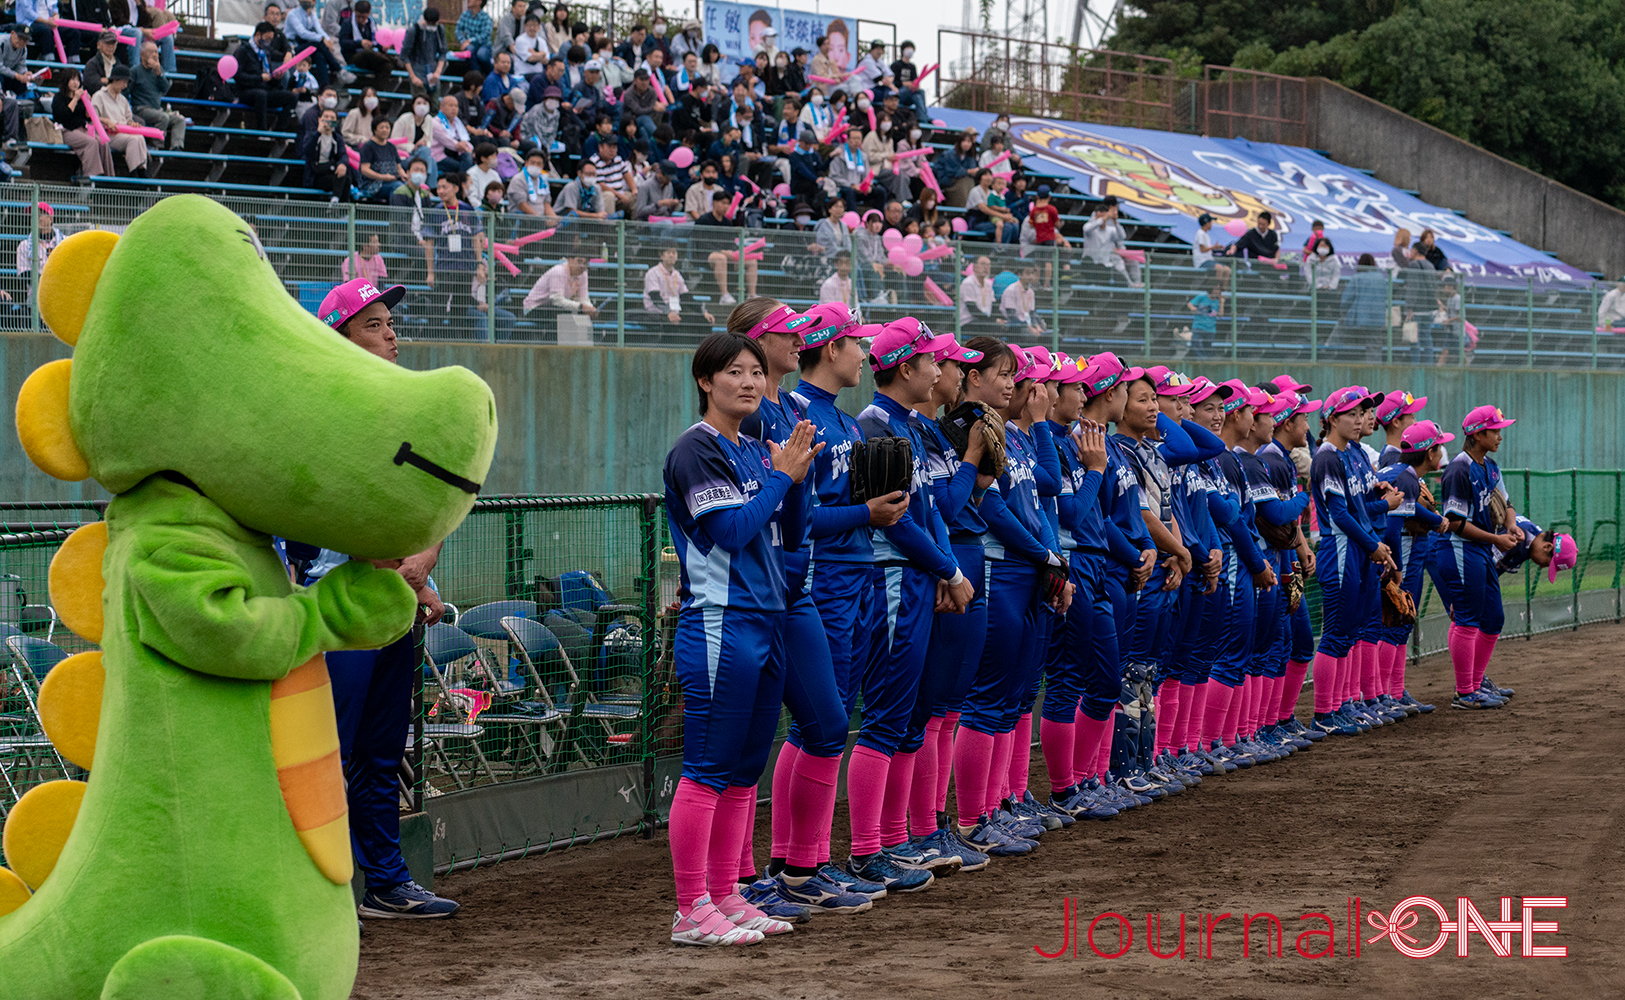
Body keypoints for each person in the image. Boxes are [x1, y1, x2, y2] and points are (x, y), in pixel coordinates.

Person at [286, 276, 459, 921]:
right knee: (328, 756)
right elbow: (296, 517)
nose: (392, 335)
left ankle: (385, 881)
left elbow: (431, 512)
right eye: (375, 324)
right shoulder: (313, 417)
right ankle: (322, 894)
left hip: (395, 610)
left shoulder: (403, 412)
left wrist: (425, 565)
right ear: (340, 337)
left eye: (391, 323)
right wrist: (366, 554)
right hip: (336, 614)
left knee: (384, 756)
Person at [662, 327, 820, 946]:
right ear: (706, 382)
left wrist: (796, 480)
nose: (751, 381)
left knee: (743, 768)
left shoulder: (755, 448)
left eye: (757, 372)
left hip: (766, 618)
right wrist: (781, 479)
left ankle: (727, 893)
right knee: (707, 768)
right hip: (721, 623)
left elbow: (784, 533)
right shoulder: (696, 449)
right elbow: (731, 532)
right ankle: (690, 908)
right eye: (735, 372)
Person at [1306, 387, 1398, 737]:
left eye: (1363, 412)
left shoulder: (1349, 453)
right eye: (1352, 413)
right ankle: (1324, 713)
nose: (1360, 419)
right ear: (1332, 419)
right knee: (1337, 633)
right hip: (1341, 548)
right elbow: (1341, 515)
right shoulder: (1329, 456)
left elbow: (1358, 508)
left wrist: (1380, 505)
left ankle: (1342, 705)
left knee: (1351, 632)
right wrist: (1374, 544)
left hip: (1357, 548)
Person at [1434, 405, 1521, 710]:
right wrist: (1497, 538)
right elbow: (1456, 523)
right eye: (1495, 431)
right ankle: (1464, 691)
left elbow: (1506, 502)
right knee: (1468, 619)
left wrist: (1511, 524)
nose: (1499, 436)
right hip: (1460, 548)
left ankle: (1476, 681)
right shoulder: (1459, 469)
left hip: (1481, 550)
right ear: (1478, 434)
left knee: (1494, 617)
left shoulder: (1490, 466)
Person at [1374, 419, 1451, 716]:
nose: (1441, 452)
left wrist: (1434, 520)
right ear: (1429, 453)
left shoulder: (1402, 473)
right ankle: (1381, 695)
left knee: (1402, 621)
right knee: (1395, 620)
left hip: (1402, 546)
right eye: (1439, 447)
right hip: (1400, 549)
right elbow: (1393, 528)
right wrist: (1397, 569)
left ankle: (1393, 692)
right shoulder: (1405, 477)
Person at [422, 172, 485, 331]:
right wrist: (430, 272)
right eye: (439, 188)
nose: (441, 191)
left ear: (456, 188)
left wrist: (479, 264)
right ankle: (433, 339)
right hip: (444, 266)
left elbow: (476, 238)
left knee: (460, 309)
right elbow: (429, 244)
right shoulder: (435, 212)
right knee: (438, 307)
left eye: (445, 187)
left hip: (465, 266)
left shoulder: (467, 210)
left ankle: (457, 340)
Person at [234, 22, 298, 131]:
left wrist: (276, 78)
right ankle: (262, 131)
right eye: (267, 38)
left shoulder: (266, 52)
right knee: (261, 95)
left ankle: (279, 130)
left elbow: (269, 78)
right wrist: (259, 77)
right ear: (258, 35)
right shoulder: (243, 51)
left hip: (265, 89)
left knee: (291, 97)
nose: (268, 42)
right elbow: (238, 76)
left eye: (270, 39)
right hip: (247, 91)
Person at [697, 190, 755, 304]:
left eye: (728, 203)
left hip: (727, 257)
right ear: (714, 202)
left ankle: (751, 295)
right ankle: (724, 294)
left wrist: (732, 252)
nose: (726, 206)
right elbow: (701, 244)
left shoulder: (727, 223)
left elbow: (731, 243)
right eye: (723, 203)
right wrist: (722, 252)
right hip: (706, 256)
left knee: (751, 260)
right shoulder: (703, 220)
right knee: (720, 258)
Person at [90, 63, 148, 176]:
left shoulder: (123, 100)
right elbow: (93, 117)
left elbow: (128, 119)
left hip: (124, 132)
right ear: (116, 80)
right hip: (108, 134)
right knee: (134, 140)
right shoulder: (99, 96)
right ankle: (134, 171)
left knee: (139, 137)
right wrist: (106, 121)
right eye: (124, 82)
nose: (125, 86)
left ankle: (141, 169)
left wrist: (132, 124)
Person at [53, 72, 114, 178]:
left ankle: (109, 176)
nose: (75, 83)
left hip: (83, 129)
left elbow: (87, 116)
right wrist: (75, 99)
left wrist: (88, 103)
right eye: (72, 79)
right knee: (91, 142)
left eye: (77, 80)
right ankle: (91, 176)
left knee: (103, 143)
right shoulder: (59, 98)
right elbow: (63, 115)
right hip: (67, 130)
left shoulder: (81, 98)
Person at [285, 0, 349, 88]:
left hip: (307, 48)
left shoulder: (312, 15)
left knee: (320, 56)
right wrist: (322, 39)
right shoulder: (292, 14)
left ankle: (324, 87)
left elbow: (320, 30)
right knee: (317, 44)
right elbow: (302, 33)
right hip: (294, 47)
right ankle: (337, 68)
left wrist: (328, 40)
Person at [522, 249, 594, 321]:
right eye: (579, 261)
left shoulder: (583, 274)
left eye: (585, 263)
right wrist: (581, 307)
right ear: (569, 260)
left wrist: (590, 308)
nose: (582, 266)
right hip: (535, 308)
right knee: (560, 313)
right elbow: (557, 300)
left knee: (585, 314)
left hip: (555, 308)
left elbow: (583, 298)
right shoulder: (559, 271)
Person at [1082, 197, 1138, 284]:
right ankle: (1129, 283)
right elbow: (1087, 228)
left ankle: (1132, 284)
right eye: (1116, 205)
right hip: (1092, 259)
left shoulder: (1110, 229)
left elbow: (1122, 237)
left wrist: (1115, 221)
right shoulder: (1095, 220)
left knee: (1132, 259)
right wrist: (1104, 218)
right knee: (1116, 261)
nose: (1118, 207)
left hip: (1107, 257)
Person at [340, 0, 397, 81]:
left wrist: (382, 47)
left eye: (363, 17)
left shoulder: (370, 23)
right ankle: (392, 60)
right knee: (367, 52)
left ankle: (378, 90)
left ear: (369, 13)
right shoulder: (347, 23)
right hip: (354, 56)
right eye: (358, 16)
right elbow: (343, 42)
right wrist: (360, 43)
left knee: (386, 66)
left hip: (371, 58)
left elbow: (375, 42)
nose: (360, 19)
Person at [305, 105, 351, 201]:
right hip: (316, 175)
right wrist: (318, 133)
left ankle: (336, 202)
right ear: (319, 119)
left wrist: (342, 164)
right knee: (343, 181)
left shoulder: (337, 138)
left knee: (346, 179)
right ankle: (337, 204)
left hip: (331, 172)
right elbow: (307, 152)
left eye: (332, 118)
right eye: (326, 117)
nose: (329, 120)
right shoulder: (312, 135)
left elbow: (343, 154)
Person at [403, 6, 448, 98]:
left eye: (434, 23)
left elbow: (443, 52)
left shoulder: (440, 30)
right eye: (429, 23)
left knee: (434, 104)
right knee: (420, 101)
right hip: (417, 70)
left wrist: (437, 72)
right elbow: (404, 55)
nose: (432, 25)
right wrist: (413, 77)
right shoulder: (414, 30)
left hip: (433, 71)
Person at [1373, 391, 1426, 468]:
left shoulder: (1396, 455)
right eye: (1413, 417)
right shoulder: (1393, 461)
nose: (1416, 423)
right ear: (1396, 422)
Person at [14, 202, 64, 284]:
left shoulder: (64, 242)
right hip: (35, 293)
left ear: (50, 218)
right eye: (33, 215)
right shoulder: (24, 245)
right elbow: (24, 274)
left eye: (40, 214)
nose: (36, 218)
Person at [506, 146, 557, 220]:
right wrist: (540, 220)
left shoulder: (544, 181)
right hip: (522, 220)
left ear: (543, 166)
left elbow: (547, 204)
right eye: (533, 163)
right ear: (526, 163)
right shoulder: (518, 179)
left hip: (540, 220)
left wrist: (554, 219)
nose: (535, 166)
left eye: (539, 164)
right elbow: (522, 206)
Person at [1000, 263, 1044, 336]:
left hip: (1027, 326)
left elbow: (1032, 312)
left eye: (1032, 273)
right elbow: (1011, 316)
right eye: (1027, 273)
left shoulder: (1031, 292)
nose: (1031, 276)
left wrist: (1037, 326)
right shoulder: (1011, 290)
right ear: (1020, 274)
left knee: (1051, 336)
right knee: (1032, 336)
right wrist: (1029, 327)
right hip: (1015, 326)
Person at [959, 255, 999, 333]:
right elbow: (972, 309)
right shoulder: (968, 283)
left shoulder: (988, 284)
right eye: (983, 264)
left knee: (1004, 327)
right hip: (968, 322)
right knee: (993, 328)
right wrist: (992, 320)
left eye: (988, 265)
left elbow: (993, 305)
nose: (986, 267)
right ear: (975, 267)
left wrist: (997, 319)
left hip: (985, 321)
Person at [455, 0, 494, 75]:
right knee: (470, 50)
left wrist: (470, 41)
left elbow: (485, 35)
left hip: (484, 45)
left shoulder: (486, 17)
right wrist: (463, 41)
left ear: (479, 2)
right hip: (470, 45)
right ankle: (476, 77)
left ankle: (490, 74)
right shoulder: (465, 15)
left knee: (481, 54)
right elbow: (458, 30)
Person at [1188, 278, 1224, 356]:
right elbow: (1190, 304)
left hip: (1210, 329)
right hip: (1199, 327)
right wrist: (1193, 308)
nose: (1217, 291)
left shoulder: (1217, 301)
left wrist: (1222, 303)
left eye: (1219, 290)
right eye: (1215, 289)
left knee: (1208, 349)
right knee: (1196, 346)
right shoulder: (1202, 296)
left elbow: (1220, 314)